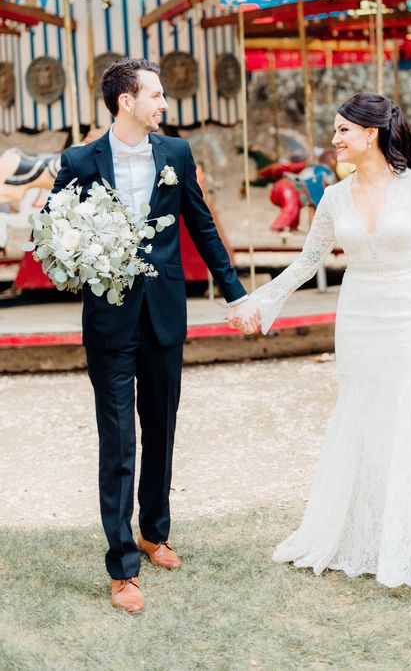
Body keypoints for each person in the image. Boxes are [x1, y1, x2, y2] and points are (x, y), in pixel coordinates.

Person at [227, 93, 411, 588]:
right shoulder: (334, 197)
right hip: (359, 316)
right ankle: (370, 531)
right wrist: (258, 301)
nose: (335, 139)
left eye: (343, 130)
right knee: (365, 412)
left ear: (372, 134)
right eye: (336, 130)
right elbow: (306, 261)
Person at [47, 57, 259, 613]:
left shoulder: (177, 154)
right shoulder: (79, 161)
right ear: (127, 102)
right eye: (156, 95)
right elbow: (54, 225)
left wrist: (233, 290)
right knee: (118, 441)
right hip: (109, 319)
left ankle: (154, 531)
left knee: (160, 426)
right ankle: (123, 568)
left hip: (164, 314)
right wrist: (75, 261)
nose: (164, 103)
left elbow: (201, 221)